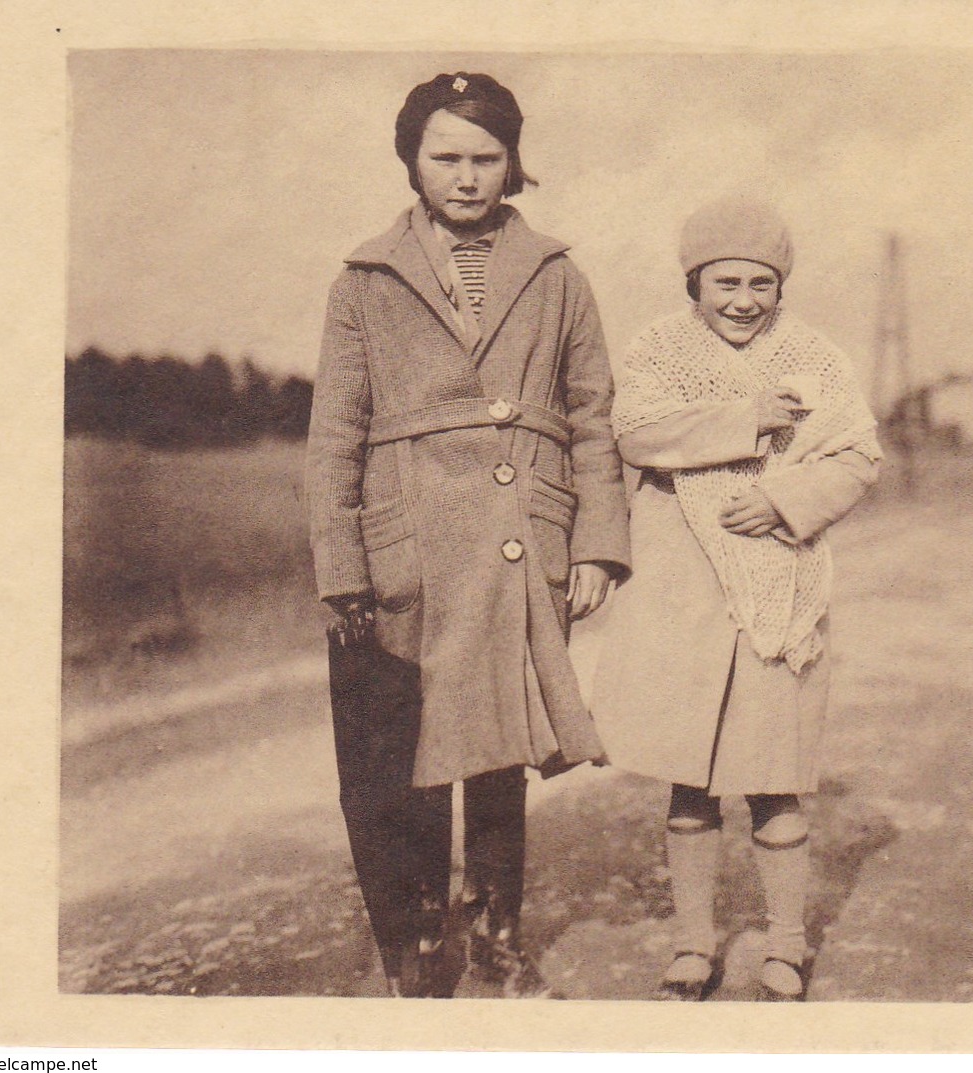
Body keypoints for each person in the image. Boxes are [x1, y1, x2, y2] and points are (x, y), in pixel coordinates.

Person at [307, 71, 629, 998]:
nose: (466, 177)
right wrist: (343, 570)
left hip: (520, 539)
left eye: (486, 157)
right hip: (405, 549)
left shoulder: (557, 274)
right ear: (410, 158)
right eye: (444, 156)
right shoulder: (363, 282)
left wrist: (598, 543)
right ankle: (414, 944)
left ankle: (497, 931)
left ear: (512, 161)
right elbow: (334, 434)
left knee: (499, 752)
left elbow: (592, 414)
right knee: (400, 758)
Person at [592, 198, 882, 1002]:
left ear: (781, 287)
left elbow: (857, 454)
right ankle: (692, 942)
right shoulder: (658, 347)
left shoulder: (814, 358)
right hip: (680, 588)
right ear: (695, 280)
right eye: (725, 281)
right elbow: (637, 432)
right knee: (688, 778)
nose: (743, 299)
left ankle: (785, 944)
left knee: (773, 774)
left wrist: (787, 499)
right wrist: (746, 420)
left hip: (777, 584)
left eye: (762, 282)